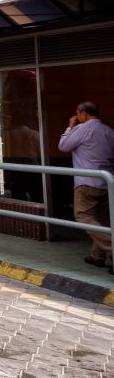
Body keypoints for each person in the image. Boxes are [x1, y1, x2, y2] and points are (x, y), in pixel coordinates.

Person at [58, 101, 114, 274]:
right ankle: (96, 256)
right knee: (102, 220)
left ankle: (112, 248)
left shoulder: (82, 129)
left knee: (82, 215)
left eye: (77, 114)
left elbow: (63, 146)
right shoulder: (109, 131)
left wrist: (69, 127)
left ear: (82, 114)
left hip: (86, 183)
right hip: (107, 182)